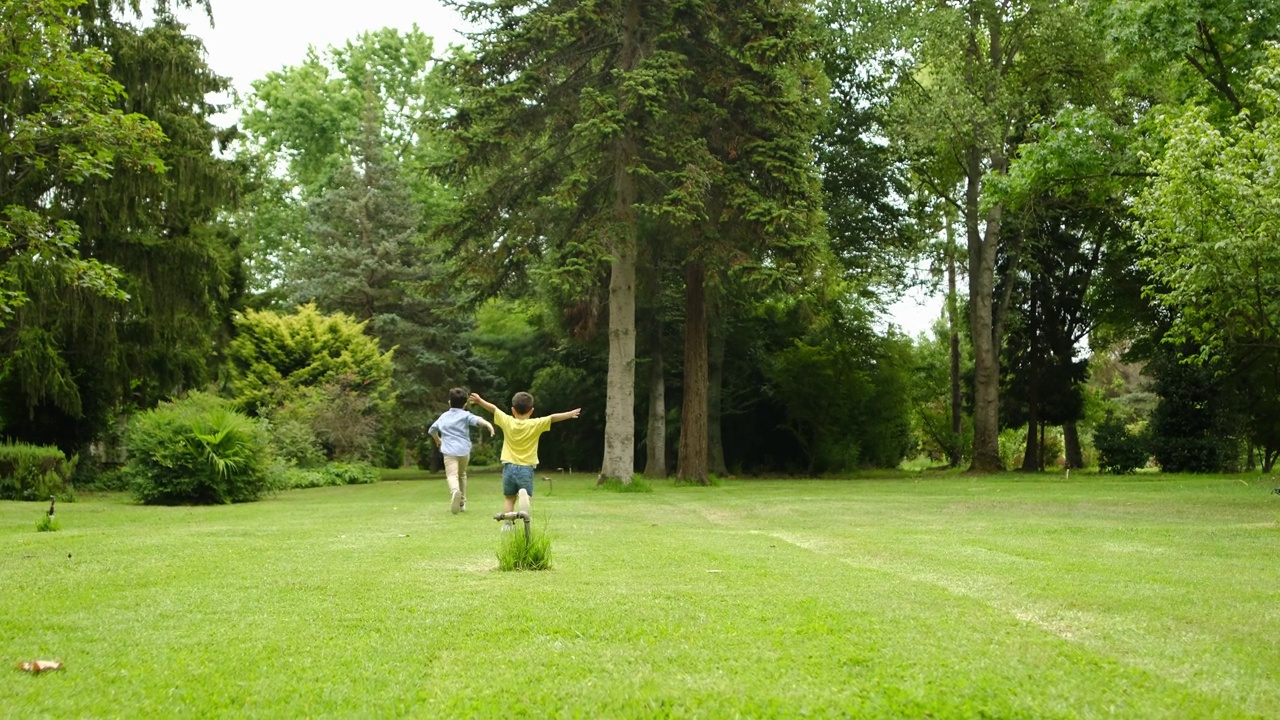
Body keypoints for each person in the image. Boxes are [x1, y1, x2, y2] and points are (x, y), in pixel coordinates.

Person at [468, 390, 580, 530]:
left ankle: (507, 524)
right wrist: (569, 414)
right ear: (531, 410)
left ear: (513, 410)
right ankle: (525, 509)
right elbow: (552, 418)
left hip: (509, 467)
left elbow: (493, 409)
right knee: (526, 496)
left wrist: (479, 401)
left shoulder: (507, 421)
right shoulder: (535, 424)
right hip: (526, 468)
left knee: (509, 498)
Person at [428, 388, 495, 514]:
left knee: (452, 475)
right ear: (465, 404)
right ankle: (462, 502)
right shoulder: (465, 415)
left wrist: (437, 439)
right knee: (462, 474)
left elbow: (432, 430)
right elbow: (478, 420)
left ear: (449, 403)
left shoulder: (444, 417)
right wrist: (488, 425)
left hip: (449, 451)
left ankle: (455, 492)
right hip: (464, 451)